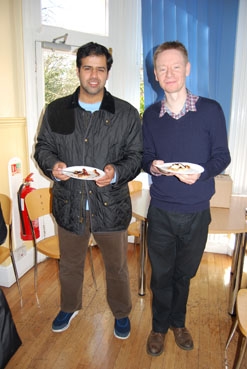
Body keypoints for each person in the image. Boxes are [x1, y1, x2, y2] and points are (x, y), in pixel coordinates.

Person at [34, 42, 143, 339]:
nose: (93, 76)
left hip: (111, 206)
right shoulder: (56, 110)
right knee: (69, 264)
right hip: (70, 204)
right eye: (87, 68)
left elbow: (135, 155)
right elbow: (43, 147)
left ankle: (121, 312)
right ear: (78, 69)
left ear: (107, 73)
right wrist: (53, 165)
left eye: (100, 69)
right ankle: (69, 306)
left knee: (117, 267)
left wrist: (116, 172)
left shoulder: (126, 113)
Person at [142, 41, 231, 356]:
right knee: (161, 275)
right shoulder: (151, 115)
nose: (169, 73)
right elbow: (147, 156)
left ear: (187, 69)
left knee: (184, 274)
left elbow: (223, 156)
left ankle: (178, 323)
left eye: (175, 66)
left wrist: (203, 172)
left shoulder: (210, 110)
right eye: (162, 68)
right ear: (155, 74)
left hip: (196, 212)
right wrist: (152, 164)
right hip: (162, 210)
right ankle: (158, 327)